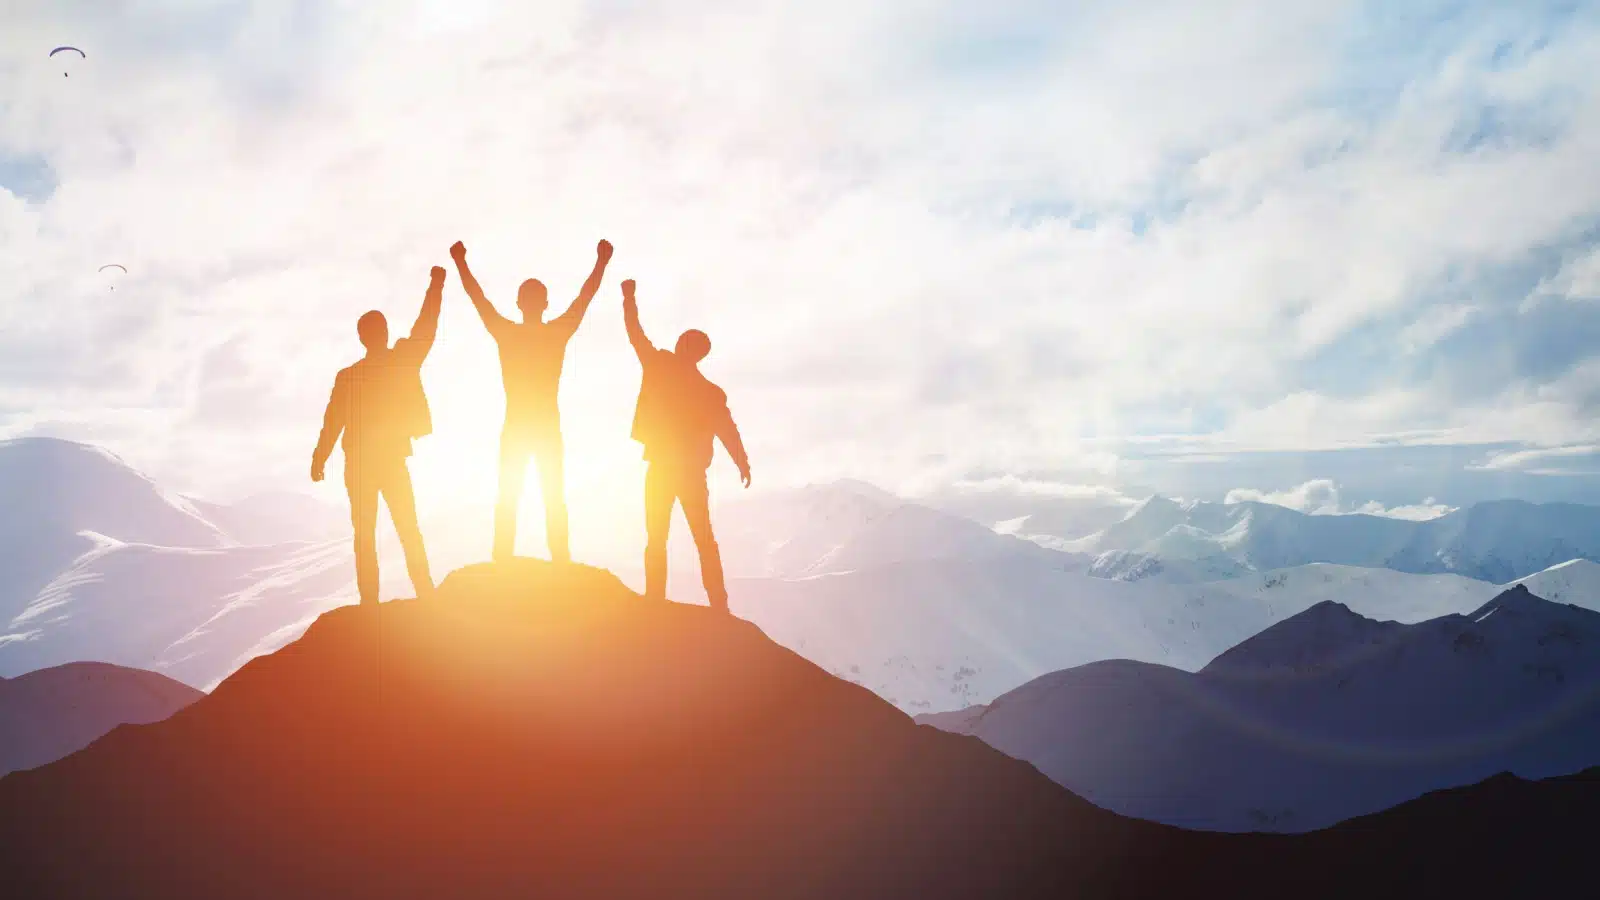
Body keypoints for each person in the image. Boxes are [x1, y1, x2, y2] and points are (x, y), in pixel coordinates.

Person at [450, 239, 613, 564]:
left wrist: (461, 262)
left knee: (516, 495)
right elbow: (583, 299)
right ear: (545, 303)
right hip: (540, 427)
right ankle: (558, 562)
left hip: (521, 426)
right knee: (549, 495)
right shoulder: (554, 332)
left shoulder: (508, 332)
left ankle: (505, 560)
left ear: (519, 303)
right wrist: (601, 263)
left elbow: (478, 299)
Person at [311, 266, 444, 606]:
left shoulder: (350, 376)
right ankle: (423, 594)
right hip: (386, 460)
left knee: (367, 534)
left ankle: (372, 602)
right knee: (405, 528)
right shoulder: (399, 362)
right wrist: (436, 285)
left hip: (361, 463)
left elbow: (332, 422)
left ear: (363, 337)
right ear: (382, 334)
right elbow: (425, 328)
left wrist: (320, 457)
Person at [621, 278, 751, 612]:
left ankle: (656, 600)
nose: (680, 344)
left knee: (661, 537)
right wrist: (741, 462)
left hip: (665, 468)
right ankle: (718, 605)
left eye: (685, 342)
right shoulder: (709, 392)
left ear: (690, 350)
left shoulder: (661, 366)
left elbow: (635, 333)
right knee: (700, 538)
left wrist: (629, 297)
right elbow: (728, 432)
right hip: (687, 471)